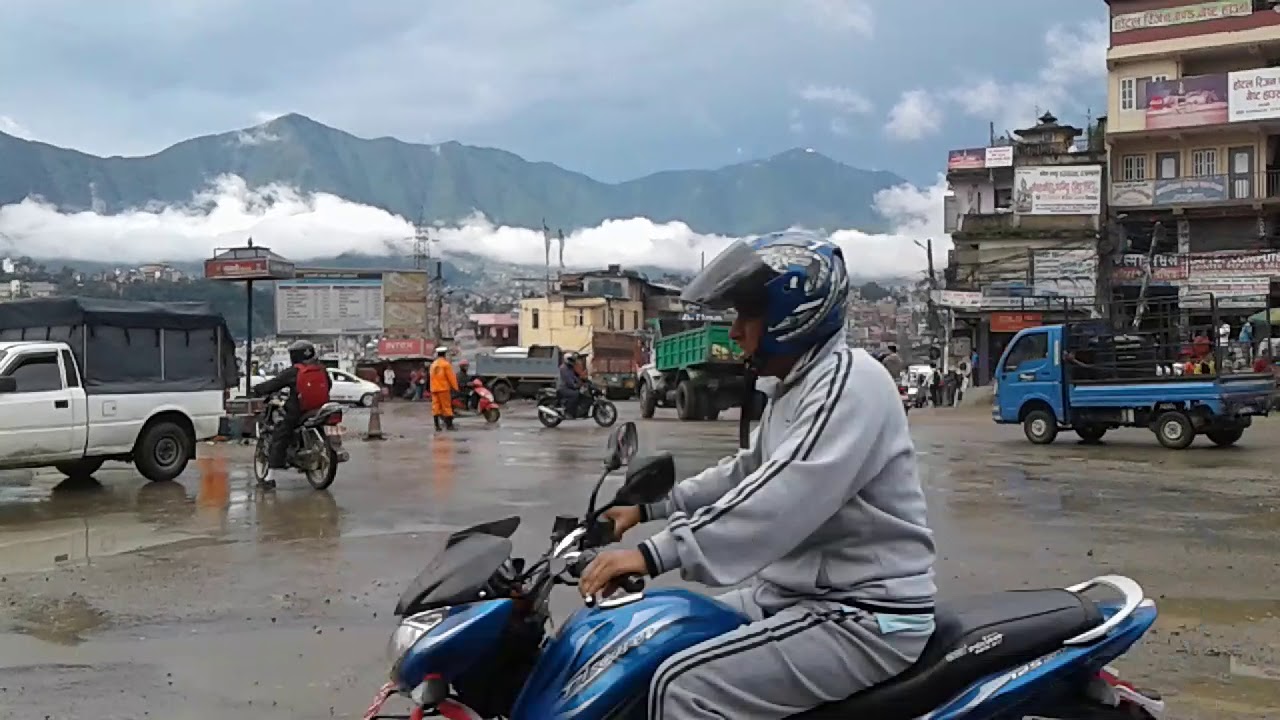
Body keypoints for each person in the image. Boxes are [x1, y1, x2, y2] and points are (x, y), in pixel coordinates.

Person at [578, 232, 936, 719]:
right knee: (652, 634)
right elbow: (747, 471)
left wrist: (653, 553)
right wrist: (646, 509)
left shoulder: (849, 383)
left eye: (747, 316)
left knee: (683, 686)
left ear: (793, 318)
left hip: (863, 614)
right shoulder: (796, 385)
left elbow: (781, 494)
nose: (735, 333)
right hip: (797, 595)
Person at [251, 339, 332, 489]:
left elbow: (273, 384)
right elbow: (329, 384)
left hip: (298, 411)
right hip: (319, 408)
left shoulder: (294, 371)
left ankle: (270, 477)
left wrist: (256, 389)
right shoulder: (321, 369)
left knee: (280, 435)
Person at [429, 347, 459, 431]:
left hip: (434, 389)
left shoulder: (433, 365)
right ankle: (449, 426)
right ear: (444, 354)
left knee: (436, 407)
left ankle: (437, 426)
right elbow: (451, 377)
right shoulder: (446, 364)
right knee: (446, 407)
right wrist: (455, 387)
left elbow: (431, 377)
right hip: (443, 388)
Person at [557, 351, 583, 418]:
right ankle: (568, 412)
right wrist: (575, 386)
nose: (573, 361)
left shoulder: (569, 367)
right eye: (571, 360)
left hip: (568, 387)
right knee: (575, 395)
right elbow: (568, 380)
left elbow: (574, 377)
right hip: (563, 388)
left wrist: (581, 381)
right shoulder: (564, 368)